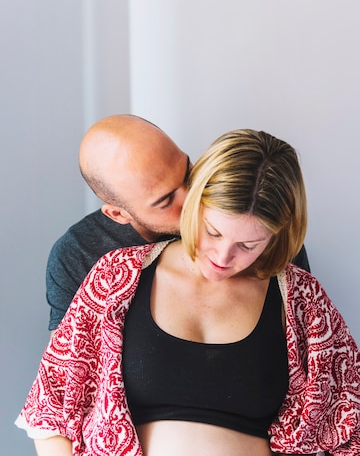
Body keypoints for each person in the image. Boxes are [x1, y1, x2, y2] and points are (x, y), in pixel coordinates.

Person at [16, 129, 360, 456]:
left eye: (249, 245)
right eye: (213, 232)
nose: (222, 257)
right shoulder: (113, 278)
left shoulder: (300, 299)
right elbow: (49, 417)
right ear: (197, 204)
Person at [46, 113, 310, 331]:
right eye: (165, 200)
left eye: (187, 172)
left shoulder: (253, 225)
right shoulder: (78, 255)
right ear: (119, 214)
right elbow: (69, 376)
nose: (191, 196)